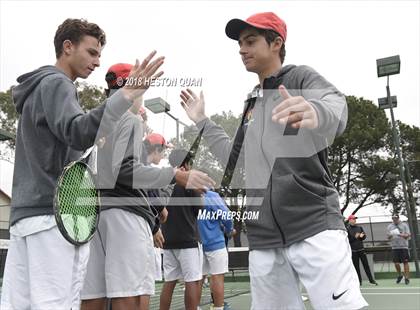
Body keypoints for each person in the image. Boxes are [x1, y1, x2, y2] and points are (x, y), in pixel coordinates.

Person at [180, 12, 367, 310]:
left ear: (276, 43)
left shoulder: (300, 77)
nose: (242, 49)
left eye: (250, 41)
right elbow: (234, 159)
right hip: (264, 239)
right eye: (240, 43)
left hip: (315, 227)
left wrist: (317, 111)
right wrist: (203, 121)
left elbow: (335, 103)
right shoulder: (251, 103)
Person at [0, 19, 165, 310]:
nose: (97, 62)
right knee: (58, 303)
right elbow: (77, 130)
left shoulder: (37, 88)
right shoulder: (57, 83)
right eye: (91, 53)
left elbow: (65, 141)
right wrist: (126, 95)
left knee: (19, 305)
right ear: (67, 47)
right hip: (56, 219)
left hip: (25, 218)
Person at [80, 64, 214, 310]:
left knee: (94, 295)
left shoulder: (97, 120)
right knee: (129, 292)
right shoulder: (129, 119)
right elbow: (127, 171)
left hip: (96, 216)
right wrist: (176, 175)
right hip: (125, 214)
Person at [160, 149, 204, 310]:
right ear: (185, 163)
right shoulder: (189, 181)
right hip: (187, 239)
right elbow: (199, 208)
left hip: (168, 240)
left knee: (169, 281)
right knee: (192, 280)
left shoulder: (164, 180)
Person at [197, 190, 234, 310]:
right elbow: (227, 217)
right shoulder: (211, 195)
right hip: (215, 244)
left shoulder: (189, 195)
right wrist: (229, 230)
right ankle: (218, 308)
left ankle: (194, 307)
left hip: (197, 245)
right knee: (217, 277)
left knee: (197, 280)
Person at [346, 214, 378, 286]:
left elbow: (363, 237)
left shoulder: (360, 227)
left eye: (355, 219)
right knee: (356, 267)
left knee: (366, 265)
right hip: (353, 251)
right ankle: (359, 281)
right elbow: (348, 240)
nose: (354, 220)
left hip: (361, 250)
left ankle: (371, 280)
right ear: (350, 220)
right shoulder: (347, 229)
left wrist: (362, 236)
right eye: (353, 219)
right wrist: (355, 237)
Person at [387, 214, 411, 285]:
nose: (395, 220)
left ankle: (407, 278)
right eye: (393, 219)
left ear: (398, 218)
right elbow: (388, 237)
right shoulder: (389, 226)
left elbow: (408, 235)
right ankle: (400, 275)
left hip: (404, 247)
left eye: (396, 218)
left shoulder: (404, 225)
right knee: (396, 263)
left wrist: (401, 235)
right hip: (395, 247)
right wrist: (390, 236)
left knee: (405, 262)